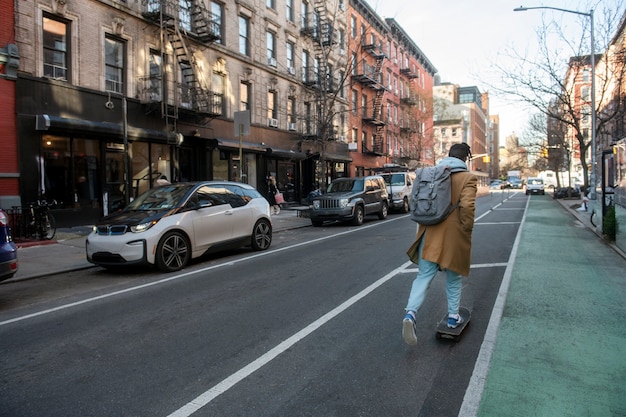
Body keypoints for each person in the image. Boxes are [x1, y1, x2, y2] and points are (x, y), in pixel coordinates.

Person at [402, 143, 478, 346]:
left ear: (449, 156)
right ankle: (453, 318)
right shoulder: (468, 178)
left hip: (428, 233)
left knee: (423, 277)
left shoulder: (433, 173)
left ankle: (410, 314)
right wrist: (467, 228)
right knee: (453, 278)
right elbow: (467, 207)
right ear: (465, 159)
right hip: (453, 237)